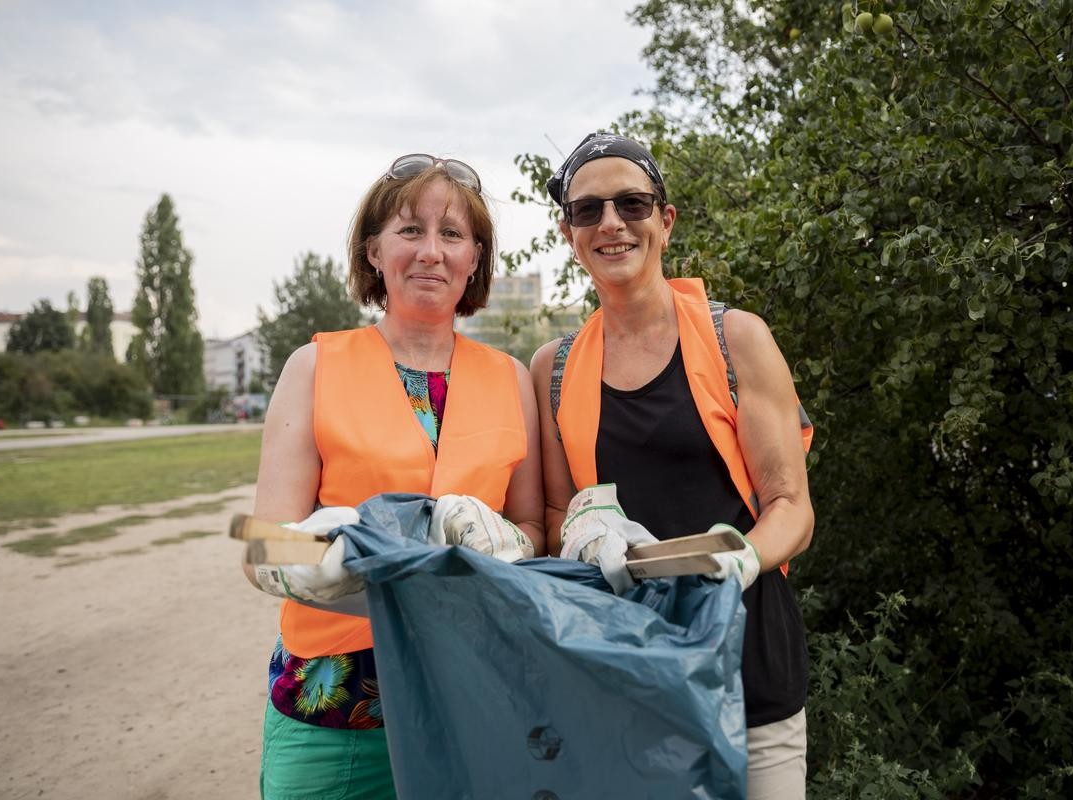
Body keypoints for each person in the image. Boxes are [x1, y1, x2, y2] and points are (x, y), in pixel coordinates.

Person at [531, 132, 815, 799]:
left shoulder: (736, 338)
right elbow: (550, 514)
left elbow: (791, 507)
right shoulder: (552, 370)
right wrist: (581, 534)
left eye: (631, 204)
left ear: (666, 218)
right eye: (587, 209)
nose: (611, 224)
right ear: (569, 231)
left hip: (750, 675)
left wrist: (736, 562)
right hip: (624, 685)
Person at [253, 153, 545, 800]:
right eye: (410, 231)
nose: (430, 253)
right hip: (334, 706)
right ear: (373, 252)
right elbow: (262, 544)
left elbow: (532, 526)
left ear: (475, 260)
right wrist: (317, 561)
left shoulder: (512, 380)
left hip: (474, 697)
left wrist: (507, 542)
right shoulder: (313, 368)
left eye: (452, 235)